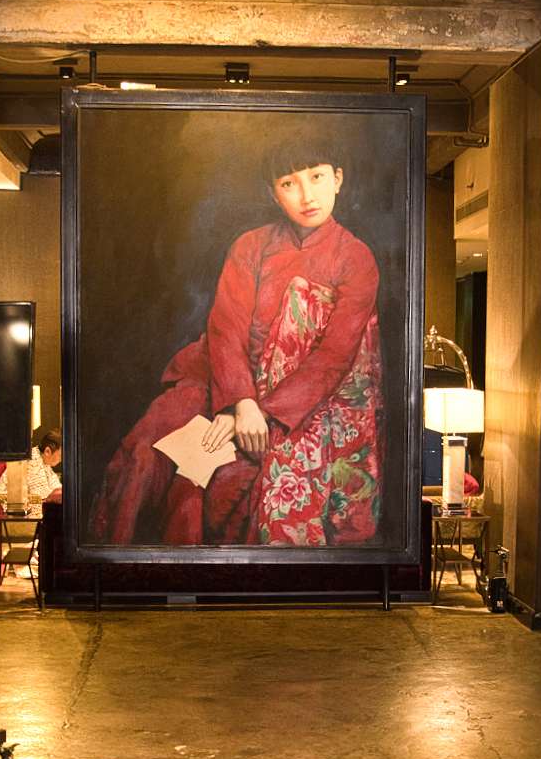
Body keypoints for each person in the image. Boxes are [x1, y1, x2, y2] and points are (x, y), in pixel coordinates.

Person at [88, 136, 383, 546]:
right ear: (274, 194)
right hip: (222, 378)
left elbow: (334, 356)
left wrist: (261, 411)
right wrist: (237, 403)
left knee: (215, 483)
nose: (306, 195)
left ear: (337, 179)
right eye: (289, 183)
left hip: (296, 402)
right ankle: (114, 569)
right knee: (145, 452)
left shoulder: (356, 258)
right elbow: (226, 329)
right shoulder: (251, 246)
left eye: (316, 177)